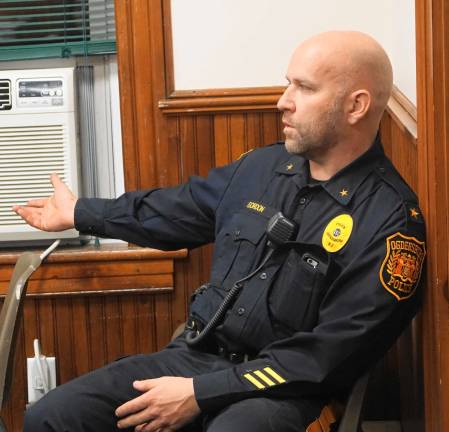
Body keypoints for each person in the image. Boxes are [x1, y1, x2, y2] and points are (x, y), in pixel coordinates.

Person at [14, 31, 426, 432]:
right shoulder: (260, 169)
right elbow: (172, 210)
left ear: (355, 106)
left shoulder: (390, 221)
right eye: (288, 84)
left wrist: (199, 394)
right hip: (197, 356)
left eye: (304, 88)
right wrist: (80, 213)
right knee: (53, 417)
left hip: (282, 390)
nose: (283, 102)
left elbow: (326, 357)